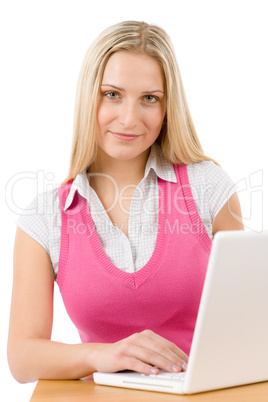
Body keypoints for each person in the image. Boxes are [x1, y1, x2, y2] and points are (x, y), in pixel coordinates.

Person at [7, 20, 244, 384]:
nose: (129, 119)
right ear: (90, 96)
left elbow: (248, 322)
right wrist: (104, 354)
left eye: (150, 98)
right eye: (112, 94)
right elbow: (22, 358)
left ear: (167, 109)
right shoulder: (44, 218)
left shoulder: (208, 187)